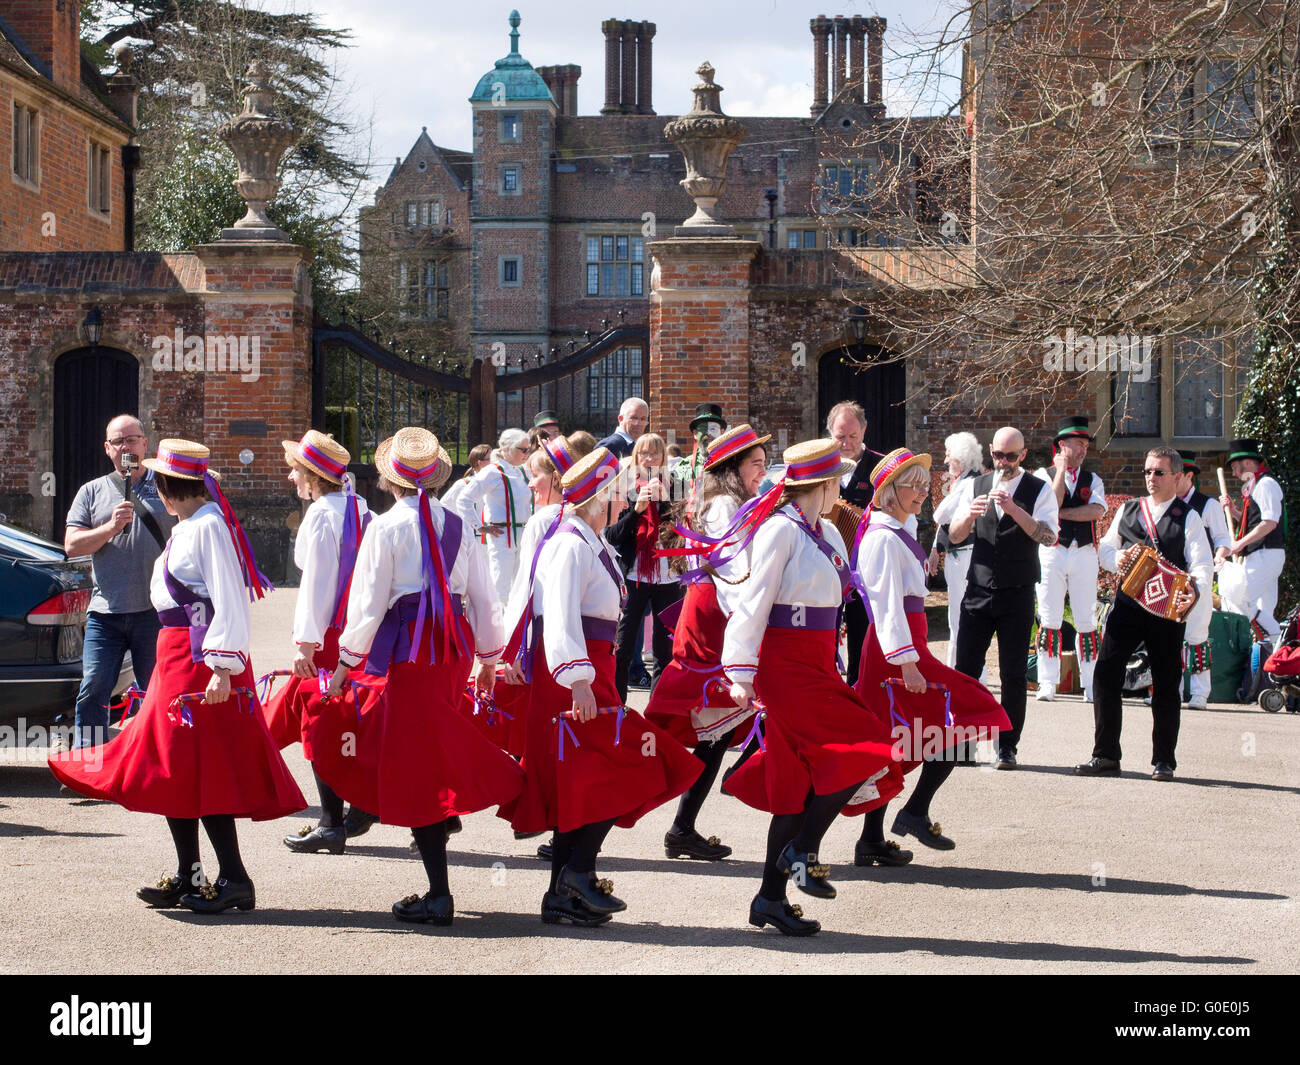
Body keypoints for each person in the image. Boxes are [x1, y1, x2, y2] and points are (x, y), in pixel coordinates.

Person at [49, 438, 304, 914]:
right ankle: (192, 873)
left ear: (169, 486)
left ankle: (233, 877)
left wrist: (222, 667)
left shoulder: (208, 526)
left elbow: (228, 599)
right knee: (174, 767)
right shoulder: (193, 524)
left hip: (200, 664)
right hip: (177, 658)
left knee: (203, 769)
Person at [317, 427, 524, 926]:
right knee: (425, 748)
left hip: (410, 652)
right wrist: (488, 659)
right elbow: (484, 596)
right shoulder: (458, 522)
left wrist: (346, 664)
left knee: (417, 760)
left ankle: (438, 890)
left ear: (390, 481)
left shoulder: (385, 529)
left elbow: (366, 606)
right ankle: (431, 824)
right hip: (449, 649)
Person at [501, 447, 702, 927]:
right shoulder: (571, 542)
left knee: (587, 781)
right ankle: (578, 875)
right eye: (621, 490)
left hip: (592, 675)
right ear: (601, 495)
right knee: (618, 770)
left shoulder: (592, 541)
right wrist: (578, 681)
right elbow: (559, 616)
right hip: (577, 680)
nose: (630, 497)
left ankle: (565, 888)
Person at [721, 438, 905, 937]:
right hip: (786, 668)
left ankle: (770, 897)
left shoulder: (827, 531)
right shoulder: (780, 531)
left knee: (796, 782)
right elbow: (751, 603)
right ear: (821, 484)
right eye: (837, 481)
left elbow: (838, 606)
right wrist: (738, 675)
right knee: (869, 746)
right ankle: (801, 850)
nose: (844, 488)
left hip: (819, 664)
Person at [851, 449, 1011, 863]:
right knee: (970, 712)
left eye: (926, 483)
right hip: (897, 652)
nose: (924, 491)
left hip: (905, 648)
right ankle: (909, 815)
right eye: (915, 484)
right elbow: (885, 606)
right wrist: (906, 662)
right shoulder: (883, 537)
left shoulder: (895, 530)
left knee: (906, 736)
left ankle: (882, 834)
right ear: (889, 491)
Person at [647, 423, 770, 861]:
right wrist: (753, 617)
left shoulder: (732, 502)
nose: (762, 471)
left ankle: (683, 826)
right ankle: (675, 822)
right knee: (716, 726)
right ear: (733, 468)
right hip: (717, 615)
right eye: (755, 464)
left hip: (721, 611)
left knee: (716, 731)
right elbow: (735, 571)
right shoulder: (724, 506)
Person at [263, 430, 372, 855]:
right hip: (360, 632)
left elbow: (317, 583)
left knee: (320, 724)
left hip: (329, 636)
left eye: (295, 471)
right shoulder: (361, 507)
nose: (291, 478)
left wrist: (305, 642)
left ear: (311, 475)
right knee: (352, 723)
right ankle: (359, 808)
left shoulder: (321, 514)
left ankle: (331, 823)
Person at [1076, 446, 1211, 782]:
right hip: (1128, 603)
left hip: (1166, 610)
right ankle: (1105, 755)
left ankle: (1163, 760)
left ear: (1177, 477)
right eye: (1148, 472)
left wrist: (1194, 590)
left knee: (1166, 683)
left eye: (1159, 472)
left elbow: (1202, 564)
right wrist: (1116, 559)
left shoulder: (1188, 516)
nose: (1151, 478)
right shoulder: (1130, 509)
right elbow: (1106, 547)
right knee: (1106, 674)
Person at [62, 414, 176, 753]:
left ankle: (155, 761)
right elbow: (71, 546)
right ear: (108, 448)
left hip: (154, 612)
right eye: (119, 441)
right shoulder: (91, 492)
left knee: (157, 690)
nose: (126, 446)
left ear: (145, 444)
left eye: (133, 439)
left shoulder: (167, 486)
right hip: (106, 611)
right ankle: (90, 765)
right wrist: (109, 528)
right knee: (94, 687)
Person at [948, 426, 1060, 770]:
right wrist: (968, 515)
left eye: (1011, 456)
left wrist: (1014, 511)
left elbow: (1049, 536)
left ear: (1023, 455)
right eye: (998, 455)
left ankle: (1006, 746)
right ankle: (961, 745)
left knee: (1013, 673)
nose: (1004, 462)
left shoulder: (1039, 489)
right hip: (978, 590)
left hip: (1017, 591)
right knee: (966, 670)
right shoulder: (975, 484)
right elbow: (953, 536)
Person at [1033, 416, 1107, 702]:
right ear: (1062, 446)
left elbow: (1096, 512)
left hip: (1085, 552)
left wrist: (1059, 516)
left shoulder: (1093, 479)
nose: (1084, 449)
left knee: (1086, 618)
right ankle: (1047, 682)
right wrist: (1061, 472)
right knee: (1050, 616)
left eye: (1086, 444)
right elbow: (1051, 502)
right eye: (1078, 444)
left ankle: (1091, 684)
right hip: (1053, 550)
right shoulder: (1043, 475)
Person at [605, 432, 683, 699]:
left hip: (668, 579)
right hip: (634, 577)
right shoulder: (623, 487)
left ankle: (655, 715)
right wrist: (637, 510)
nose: (649, 459)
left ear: (663, 457)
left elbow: (684, 533)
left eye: (654, 453)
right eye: (643, 453)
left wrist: (665, 506)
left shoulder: (676, 486)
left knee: (664, 652)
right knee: (624, 646)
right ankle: (616, 711)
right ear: (636, 457)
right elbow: (612, 536)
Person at [1175, 451, 1232, 708]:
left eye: (1177, 475)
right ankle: (1169, 690)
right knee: (1168, 636)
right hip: (1170, 578)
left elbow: (1222, 539)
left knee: (1197, 633)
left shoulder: (1207, 505)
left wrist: (1219, 555)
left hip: (1198, 577)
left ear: (1189, 476)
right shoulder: (1164, 504)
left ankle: (1199, 693)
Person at [827, 400, 877, 686]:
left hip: (864, 572)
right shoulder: (821, 468)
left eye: (852, 436)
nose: (846, 443)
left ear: (864, 431)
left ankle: (858, 695)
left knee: (861, 636)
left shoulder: (880, 467)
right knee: (824, 639)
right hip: (825, 569)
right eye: (839, 437)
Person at [1218, 438, 1287, 641]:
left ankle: (1279, 638)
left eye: (1235, 467)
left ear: (1247, 463)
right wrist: (1234, 512)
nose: (1233, 473)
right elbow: (1255, 522)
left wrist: (1239, 544)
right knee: (1263, 608)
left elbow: (1270, 523)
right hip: (1262, 554)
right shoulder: (1256, 487)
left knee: (1239, 600)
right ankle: (1272, 652)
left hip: (1265, 554)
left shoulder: (1266, 485)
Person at [454, 428, 534, 602]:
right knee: (500, 587)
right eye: (523, 449)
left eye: (528, 449)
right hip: (501, 536)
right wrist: (480, 526)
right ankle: (497, 626)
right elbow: (464, 499)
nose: (527, 453)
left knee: (521, 587)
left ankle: (515, 627)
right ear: (507, 449)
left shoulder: (521, 471)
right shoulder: (492, 472)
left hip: (523, 535)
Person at [927, 431, 984, 668]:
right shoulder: (960, 482)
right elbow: (943, 523)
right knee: (956, 616)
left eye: (949, 454)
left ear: (962, 456)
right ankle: (956, 667)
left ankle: (962, 668)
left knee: (961, 614)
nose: (946, 460)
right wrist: (934, 549)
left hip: (966, 553)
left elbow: (940, 515)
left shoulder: (970, 483)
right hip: (956, 554)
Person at [439, 443, 491, 514]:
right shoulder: (463, 484)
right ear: (480, 463)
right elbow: (444, 507)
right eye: (490, 459)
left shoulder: (495, 482)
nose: (495, 461)